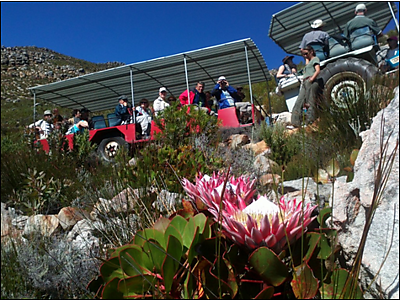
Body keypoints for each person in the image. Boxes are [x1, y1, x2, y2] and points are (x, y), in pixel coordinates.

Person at [291, 45, 321, 128]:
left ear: (311, 52)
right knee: (299, 101)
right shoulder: (308, 61)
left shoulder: (315, 59)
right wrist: (303, 52)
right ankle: (295, 122)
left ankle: (310, 121)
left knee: (310, 102)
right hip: (304, 82)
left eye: (306, 53)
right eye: (303, 54)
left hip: (311, 81)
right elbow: (307, 62)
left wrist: (312, 79)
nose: (305, 56)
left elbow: (318, 70)